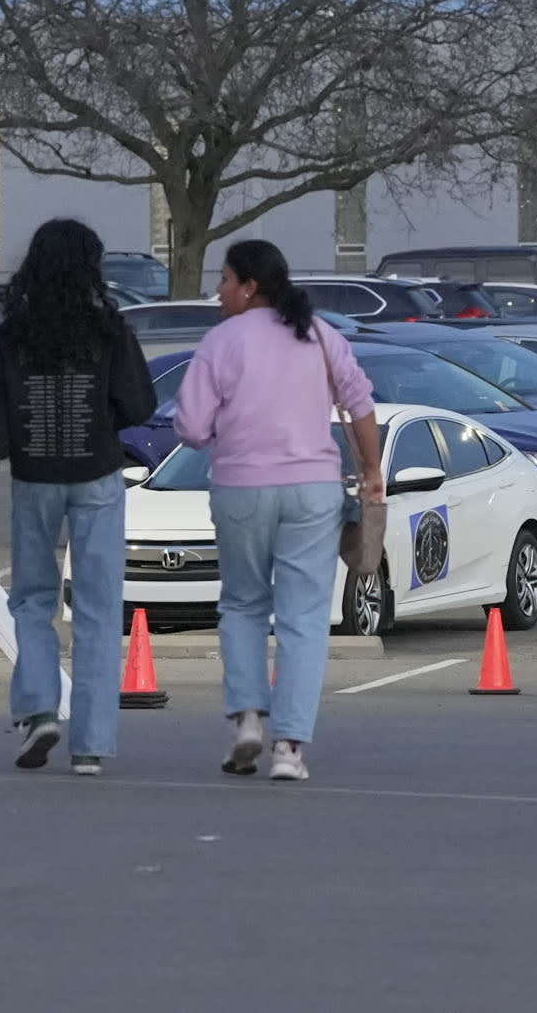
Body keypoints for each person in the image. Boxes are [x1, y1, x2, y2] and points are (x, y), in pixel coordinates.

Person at [0, 219, 153, 777]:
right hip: (98, 479)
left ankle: (40, 709)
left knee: (32, 601)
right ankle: (92, 746)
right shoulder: (109, 330)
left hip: (34, 480)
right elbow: (139, 405)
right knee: (97, 608)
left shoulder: (17, 333)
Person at [173, 239, 382, 782]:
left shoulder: (220, 342)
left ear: (248, 286)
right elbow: (360, 404)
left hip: (240, 486)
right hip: (312, 489)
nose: (216, 292)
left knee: (243, 603)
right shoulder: (319, 334)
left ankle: (246, 718)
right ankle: (289, 748)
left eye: (223, 280)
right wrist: (373, 473)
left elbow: (192, 429)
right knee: (304, 618)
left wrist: (228, 425)